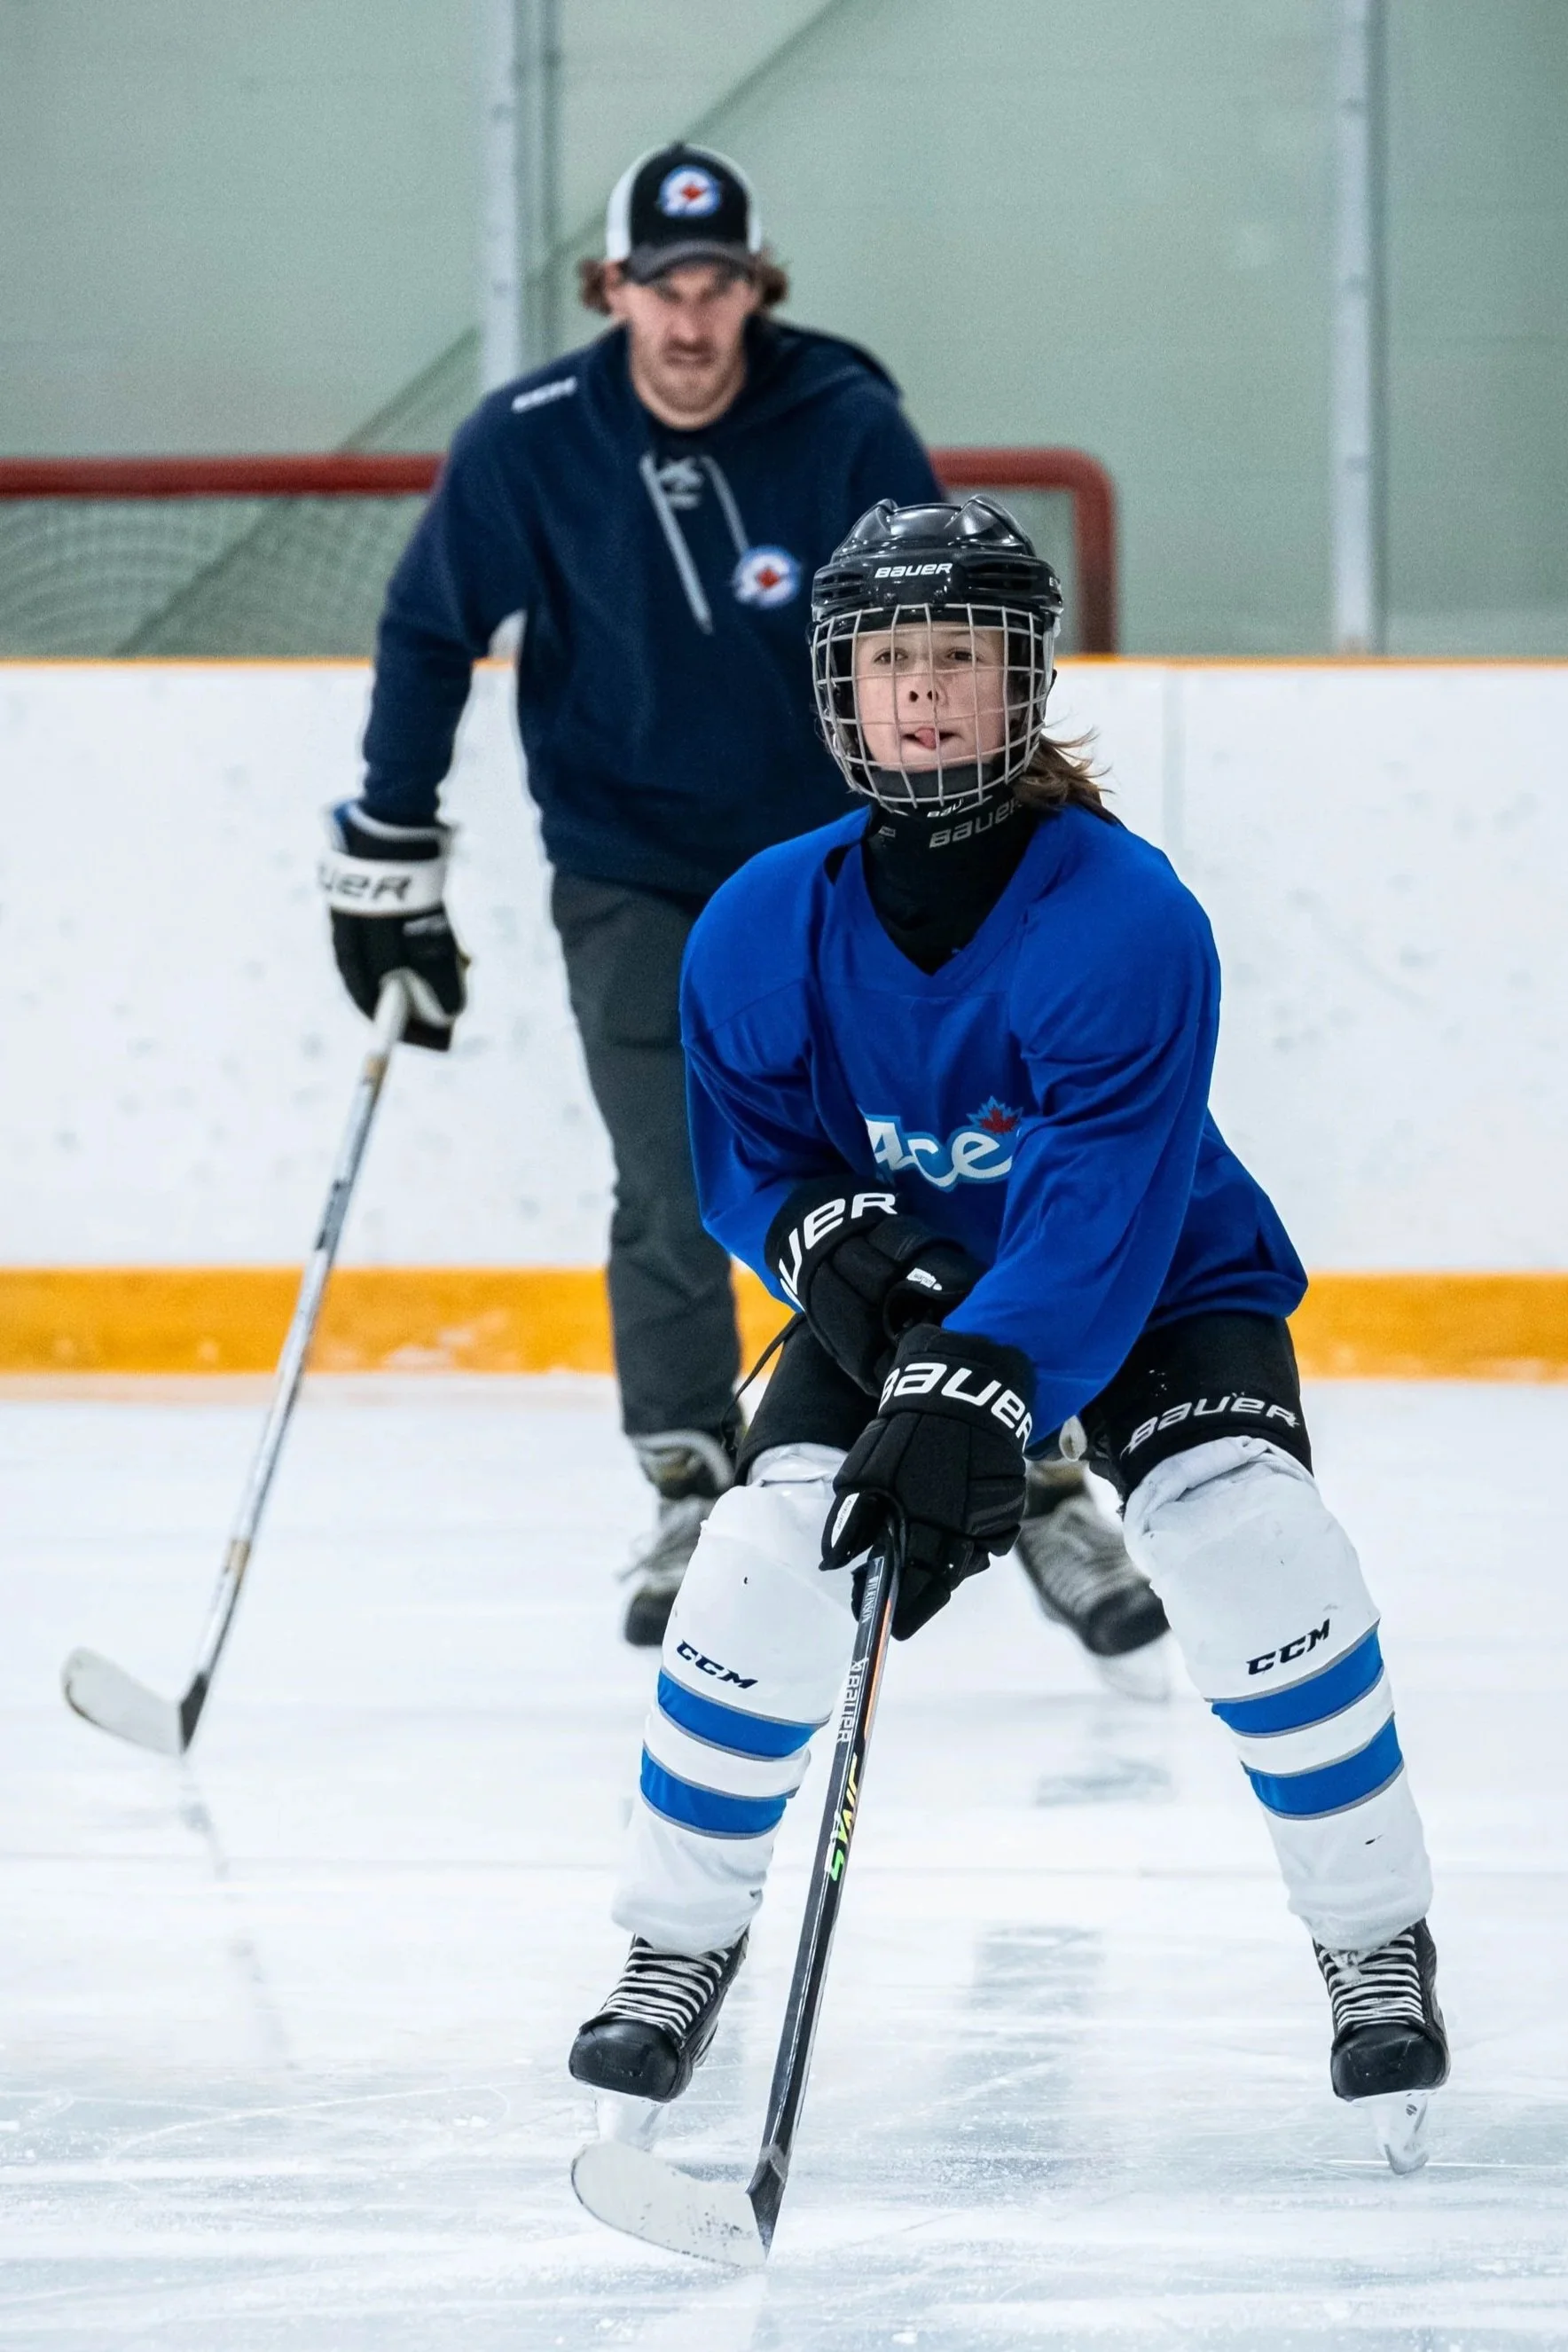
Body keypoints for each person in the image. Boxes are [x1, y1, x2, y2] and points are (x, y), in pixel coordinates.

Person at [567, 498, 1449, 2168]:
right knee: (764, 1560)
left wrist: (982, 1381)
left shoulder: (1124, 916)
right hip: (911, 1292)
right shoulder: (760, 919)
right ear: (839, 684)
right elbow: (750, 1164)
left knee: (1249, 1539)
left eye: (960, 656)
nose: (924, 691)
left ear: (1021, 678)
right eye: (891, 656)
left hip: (1155, 1279)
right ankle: (673, 1943)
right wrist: (843, 1251)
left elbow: (1103, 1208)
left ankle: (1371, 1935)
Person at [318, 139, 1163, 1668]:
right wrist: (391, 837)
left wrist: (1003, 826)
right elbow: (430, 624)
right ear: (613, 290)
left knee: (952, 1156)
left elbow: (947, 635)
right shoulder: (530, 441)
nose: (691, 321)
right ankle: (694, 1476)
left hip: (844, 873)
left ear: (754, 290)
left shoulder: (839, 416)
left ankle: (1029, 1458)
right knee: (675, 1176)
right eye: (661, 287)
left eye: (716, 287)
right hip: (630, 872)